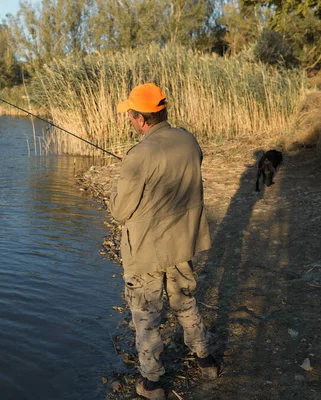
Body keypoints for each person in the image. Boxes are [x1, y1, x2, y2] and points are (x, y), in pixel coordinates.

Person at [109, 83, 218, 400]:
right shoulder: (188, 140)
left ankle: (153, 383)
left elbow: (119, 210)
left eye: (130, 114)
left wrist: (125, 173)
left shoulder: (138, 155)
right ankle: (206, 360)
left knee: (147, 318)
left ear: (141, 119)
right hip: (182, 244)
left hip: (147, 252)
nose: (129, 119)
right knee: (186, 303)